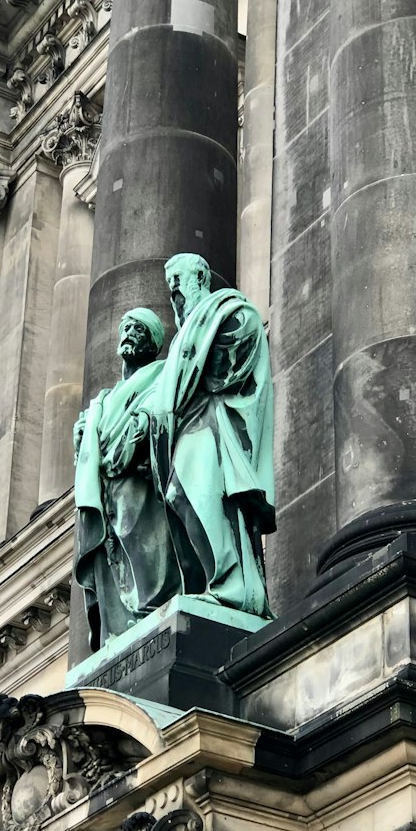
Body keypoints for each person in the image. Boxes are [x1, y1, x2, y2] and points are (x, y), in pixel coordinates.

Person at [149, 253, 275, 617]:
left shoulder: (230, 310)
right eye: (168, 280)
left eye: (179, 277)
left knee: (204, 493)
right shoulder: (184, 337)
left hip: (215, 420)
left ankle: (237, 589)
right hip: (190, 422)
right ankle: (221, 583)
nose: (173, 287)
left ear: (201, 276)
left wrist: (193, 366)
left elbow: (229, 365)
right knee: (179, 494)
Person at [74, 309, 180, 648]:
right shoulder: (103, 400)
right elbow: (91, 447)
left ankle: (150, 618)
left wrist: (141, 426)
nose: (130, 334)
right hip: (107, 493)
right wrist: (84, 436)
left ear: (152, 343)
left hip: (140, 486)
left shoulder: (162, 374)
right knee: (111, 564)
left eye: (139, 330)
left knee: (149, 563)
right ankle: (118, 633)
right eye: (126, 328)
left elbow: (164, 412)